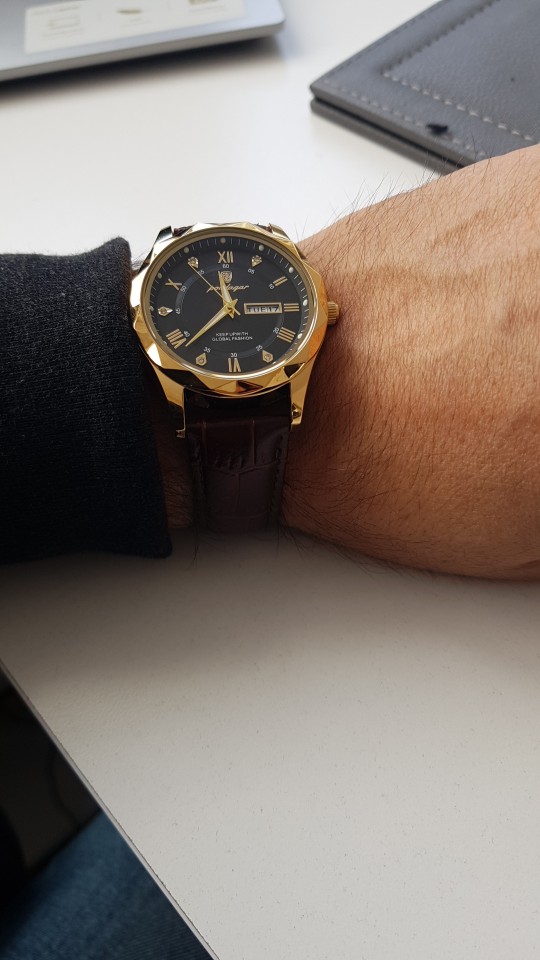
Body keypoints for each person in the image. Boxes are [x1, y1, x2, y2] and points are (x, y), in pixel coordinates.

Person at [0, 145, 538, 958]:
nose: (225, 302)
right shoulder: (163, 335)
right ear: (147, 317)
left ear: (320, 311)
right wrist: (110, 384)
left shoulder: (267, 310)